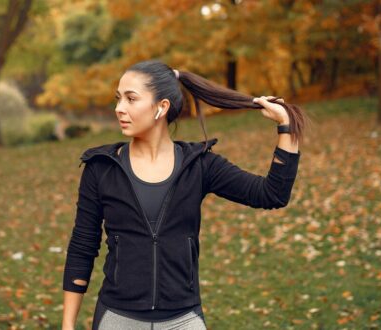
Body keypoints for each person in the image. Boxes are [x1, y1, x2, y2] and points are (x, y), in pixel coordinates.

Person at [61, 59, 308, 330]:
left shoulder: (199, 165)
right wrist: (68, 325)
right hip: (118, 318)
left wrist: (287, 127)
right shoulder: (101, 168)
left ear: (161, 107)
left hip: (183, 319)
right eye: (118, 99)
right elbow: (82, 248)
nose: (119, 108)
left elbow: (272, 194)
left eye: (131, 99)